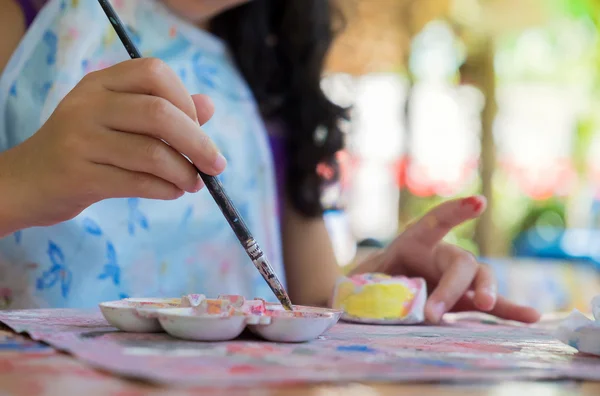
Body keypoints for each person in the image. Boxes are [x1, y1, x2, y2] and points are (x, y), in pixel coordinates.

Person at [0, 0, 539, 324]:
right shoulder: (20, 22)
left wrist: (376, 291)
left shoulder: (276, 77)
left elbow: (307, 300)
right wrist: (21, 182)